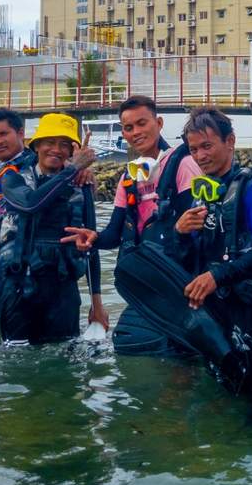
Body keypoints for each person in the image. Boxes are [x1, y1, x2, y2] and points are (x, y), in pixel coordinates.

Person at [60, 95, 201, 355]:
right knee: (128, 342)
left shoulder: (183, 164)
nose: (135, 132)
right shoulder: (129, 177)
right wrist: (94, 238)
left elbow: (196, 227)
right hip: (148, 280)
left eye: (142, 123)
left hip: (181, 278)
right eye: (128, 127)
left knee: (163, 351)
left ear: (159, 123)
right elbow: (115, 234)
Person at [174, 107, 252, 375]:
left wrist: (217, 276)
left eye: (207, 146)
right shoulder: (201, 196)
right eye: (194, 149)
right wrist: (180, 234)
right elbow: (190, 257)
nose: (200, 156)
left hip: (249, 309)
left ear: (230, 141)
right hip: (213, 311)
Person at [0, 108, 106, 331]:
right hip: (18, 282)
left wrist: (97, 304)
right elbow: (31, 204)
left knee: (65, 349)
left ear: (72, 150)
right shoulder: (12, 178)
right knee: (15, 349)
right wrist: (73, 169)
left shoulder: (81, 185)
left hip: (63, 284)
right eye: (49, 142)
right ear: (36, 145)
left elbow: (91, 246)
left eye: (64, 145)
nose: (56, 150)